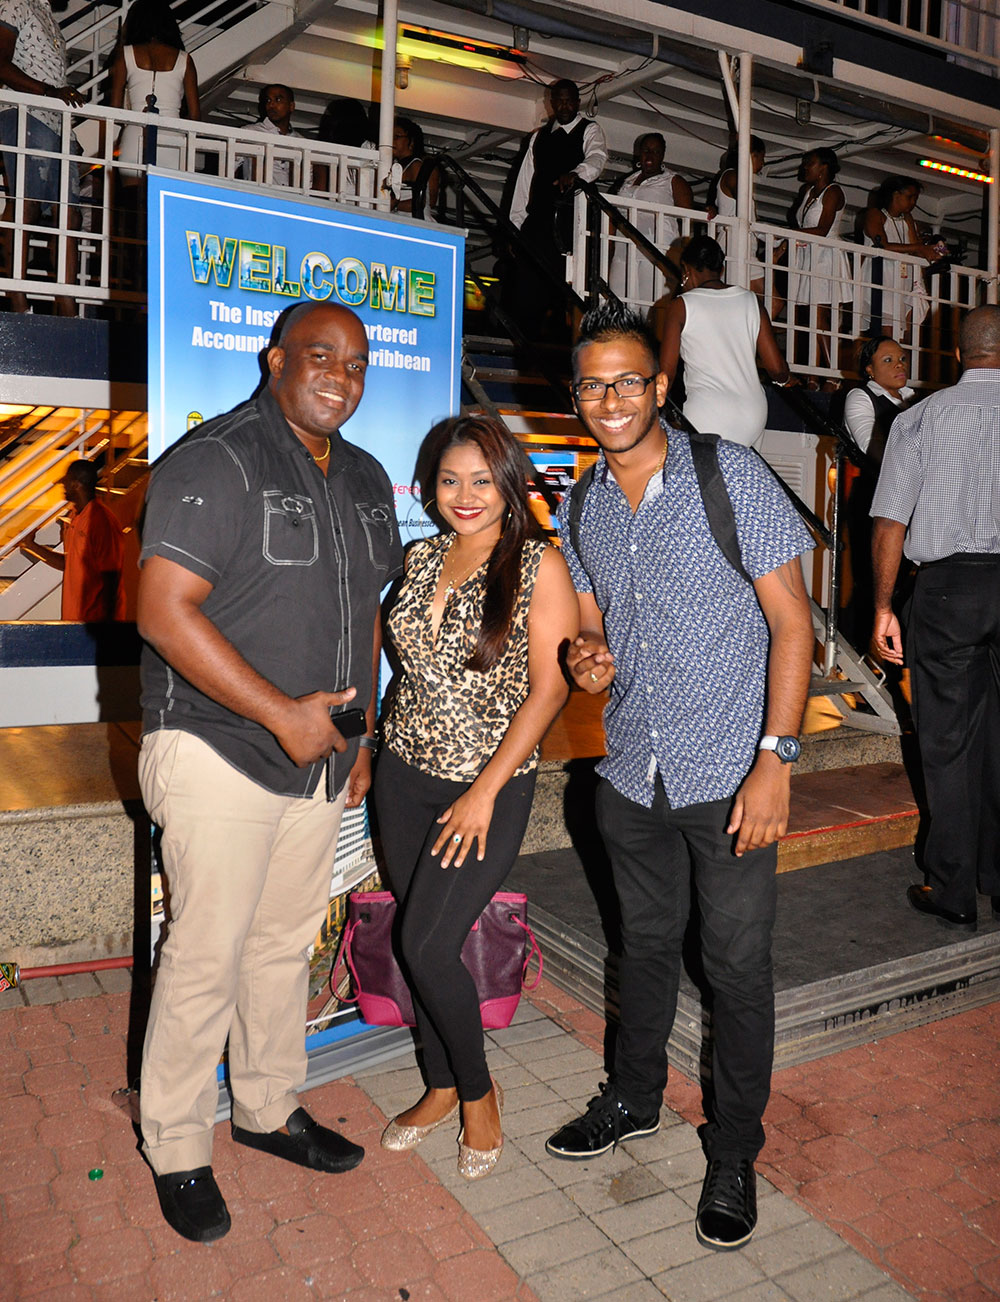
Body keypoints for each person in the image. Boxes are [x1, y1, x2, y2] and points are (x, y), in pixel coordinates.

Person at [545, 302, 815, 1252]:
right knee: (644, 948)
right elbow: (592, 628)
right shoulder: (580, 502)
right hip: (631, 774)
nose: (612, 398)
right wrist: (587, 659)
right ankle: (634, 1096)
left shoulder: (729, 474)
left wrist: (776, 759)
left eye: (629, 380)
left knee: (736, 969)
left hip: (730, 774)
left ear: (659, 387)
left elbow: (793, 624)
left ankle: (734, 1149)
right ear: (576, 396)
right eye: (594, 384)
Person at [135, 301, 403, 1243]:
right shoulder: (218, 458)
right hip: (218, 747)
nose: (341, 375)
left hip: (321, 758)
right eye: (320, 355)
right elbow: (163, 609)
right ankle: (176, 1144)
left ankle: (265, 1106)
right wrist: (280, 714)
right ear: (274, 359)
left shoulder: (364, 476)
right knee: (206, 954)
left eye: (357, 363)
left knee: (283, 945)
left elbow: (367, 614)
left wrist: (361, 738)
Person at [374, 415, 578, 1180]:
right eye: (450, 480)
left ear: (509, 485)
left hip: (486, 786)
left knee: (427, 944)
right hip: (402, 775)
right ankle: (438, 1085)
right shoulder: (422, 556)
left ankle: (478, 1094)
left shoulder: (538, 565)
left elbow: (550, 690)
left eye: (482, 481)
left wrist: (485, 791)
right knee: (418, 939)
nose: (465, 496)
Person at [871, 303, 1000, 933]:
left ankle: (952, 888)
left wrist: (882, 606)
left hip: (949, 590)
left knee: (947, 741)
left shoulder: (921, 417)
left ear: (956, 354)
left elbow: (890, 520)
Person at [659, 234, 790, 450]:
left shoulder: (681, 306)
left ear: (686, 270)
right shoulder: (751, 300)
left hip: (708, 411)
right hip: (753, 412)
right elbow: (777, 369)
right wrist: (786, 380)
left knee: (705, 471)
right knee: (740, 470)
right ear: (721, 269)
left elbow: (667, 374)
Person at [0, 0, 85, 315]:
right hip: (26, 113)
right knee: (27, 206)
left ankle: (67, 303)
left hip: (57, 121)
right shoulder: (15, 4)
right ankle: (18, 297)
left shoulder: (46, 12)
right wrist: (49, 92)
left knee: (70, 216)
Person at [507, 79, 607, 337]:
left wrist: (577, 173)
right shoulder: (538, 137)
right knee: (527, 286)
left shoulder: (590, 129)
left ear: (577, 102)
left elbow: (597, 158)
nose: (564, 106)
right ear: (551, 103)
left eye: (569, 101)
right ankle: (525, 341)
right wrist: (514, 226)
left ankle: (561, 341)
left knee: (564, 289)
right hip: (538, 221)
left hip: (569, 223)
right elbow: (524, 182)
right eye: (559, 101)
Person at [841, 336, 916, 650]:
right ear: (869, 369)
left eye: (901, 358)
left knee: (904, 582)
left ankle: (896, 660)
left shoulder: (915, 399)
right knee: (872, 582)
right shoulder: (861, 397)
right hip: (873, 498)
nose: (899, 364)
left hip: (911, 499)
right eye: (888, 360)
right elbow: (870, 446)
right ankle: (858, 658)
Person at [20, 459, 126, 620]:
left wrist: (106, 627)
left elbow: (111, 575)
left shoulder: (101, 520)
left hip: (95, 620)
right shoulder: (73, 517)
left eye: (66, 481)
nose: (63, 485)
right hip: (75, 619)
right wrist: (31, 545)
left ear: (76, 485)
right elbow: (68, 564)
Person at [108, 0, 199, 178]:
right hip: (173, 139)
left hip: (135, 134)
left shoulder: (125, 54)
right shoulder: (185, 59)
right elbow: (195, 116)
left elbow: (115, 108)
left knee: (132, 194)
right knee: (167, 193)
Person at [609, 132, 694, 306]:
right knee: (620, 306)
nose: (650, 155)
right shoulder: (627, 181)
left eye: (656, 151)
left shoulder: (673, 181)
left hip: (656, 252)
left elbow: (688, 219)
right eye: (646, 150)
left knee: (651, 308)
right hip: (623, 251)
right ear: (639, 153)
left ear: (662, 155)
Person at [787, 148, 850, 376]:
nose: (805, 167)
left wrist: (789, 236)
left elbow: (823, 230)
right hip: (808, 255)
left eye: (810, 163)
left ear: (824, 167)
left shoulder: (833, 192)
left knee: (819, 317)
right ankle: (814, 375)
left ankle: (834, 374)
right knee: (812, 318)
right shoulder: (807, 191)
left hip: (826, 256)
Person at [860, 176, 944, 341]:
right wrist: (920, 248)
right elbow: (883, 245)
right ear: (895, 194)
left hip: (902, 279)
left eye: (915, 198)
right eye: (910, 197)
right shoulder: (875, 214)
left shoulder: (907, 218)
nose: (913, 202)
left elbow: (916, 247)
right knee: (887, 329)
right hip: (882, 277)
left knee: (906, 332)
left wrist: (937, 250)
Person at [236, 83, 299, 187]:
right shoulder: (250, 132)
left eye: (278, 100)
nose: (271, 105)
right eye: (268, 100)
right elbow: (229, 167)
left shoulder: (300, 141)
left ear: (291, 106)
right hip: (258, 195)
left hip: (291, 197)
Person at [383, 115, 438, 217]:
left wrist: (392, 205)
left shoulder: (415, 165)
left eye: (396, 137)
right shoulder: (395, 166)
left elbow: (421, 202)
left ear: (411, 141)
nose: (391, 141)